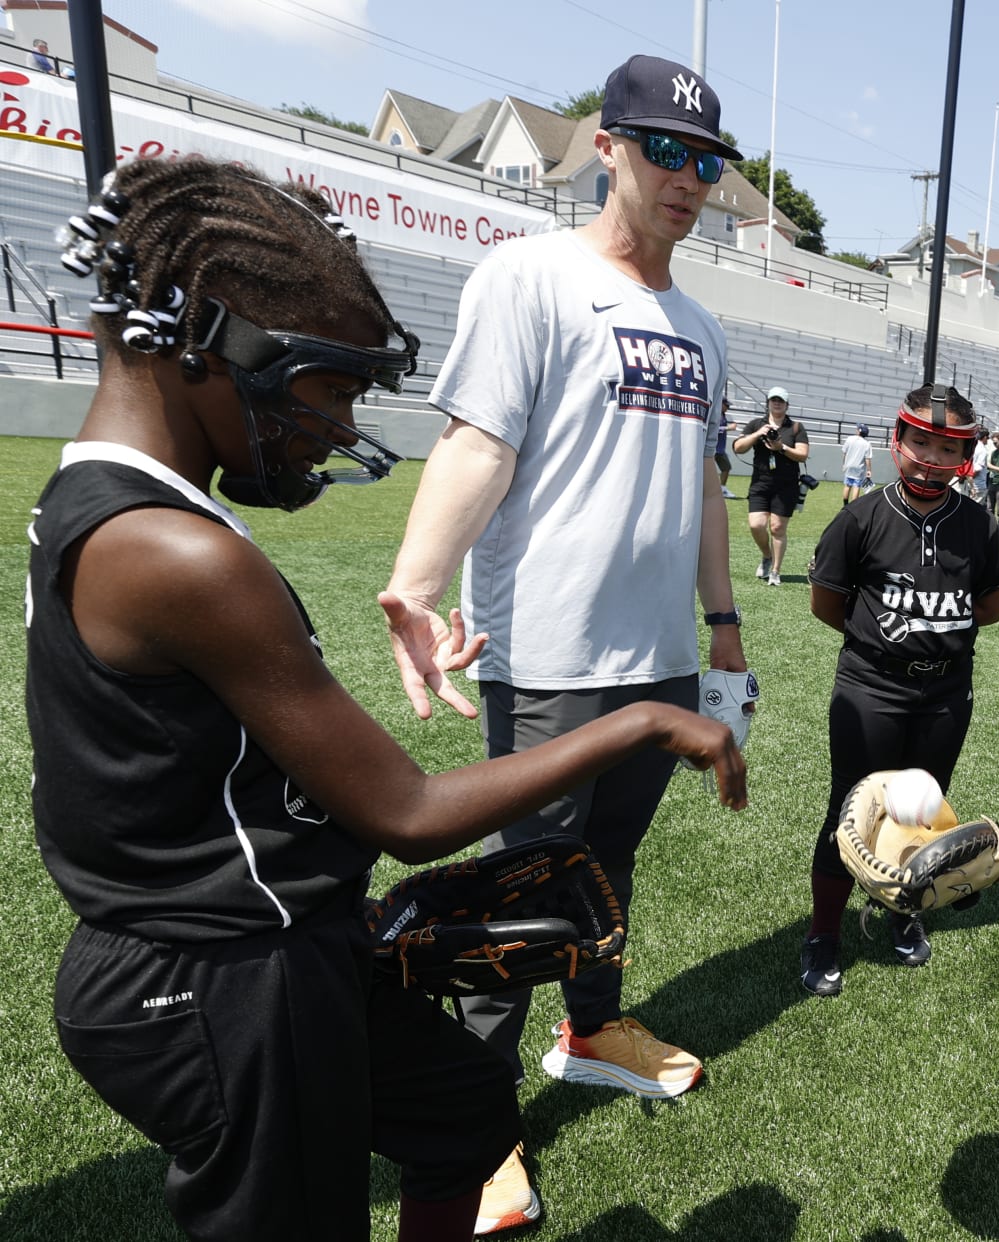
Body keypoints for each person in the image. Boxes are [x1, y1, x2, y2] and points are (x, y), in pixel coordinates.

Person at [28, 157, 744, 1242]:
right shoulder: (178, 555)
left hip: (266, 934)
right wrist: (641, 720)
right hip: (218, 979)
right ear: (209, 350)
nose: (338, 422)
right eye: (328, 385)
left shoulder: (112, 498)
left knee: (462, 1110)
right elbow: (404, 816)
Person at [380, 54, 748, 1233]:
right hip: (549, 659)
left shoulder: (702, 330)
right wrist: (417, 583)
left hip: (661, 660)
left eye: (707, 161)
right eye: (665, 152)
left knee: (610, 870)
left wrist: (724, 626)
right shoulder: (529, 277)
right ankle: (480, 1129)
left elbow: (699, 494)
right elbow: (479, 443)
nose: (688, 179)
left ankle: (591, 1030)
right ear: (607, 147)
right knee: (513, 898)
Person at [800, 385, 999, 995]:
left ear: (967, 453)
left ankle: (902, 910)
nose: (931, 457)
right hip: (871, 688)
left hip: (946, 692)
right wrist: (884, 646)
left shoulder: (976, 523)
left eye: (948, 447)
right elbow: (826, 604)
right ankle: (823, 932)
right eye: (921, 441)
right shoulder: (862, 515)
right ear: (899, 439)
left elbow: (991, 608)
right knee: (852, 812)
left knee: (923, 810)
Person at [730, 385, 809, 585]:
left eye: (780, 401)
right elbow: (738, 448)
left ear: (787, 405)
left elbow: (802, 454)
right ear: (768, 403)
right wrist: (758, 434)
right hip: (760, 483)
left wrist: (781, 447)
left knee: (777, 528)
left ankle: (775, 571)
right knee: (756, 525)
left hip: (786, 485)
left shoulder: (795, 427)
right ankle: (767, 556)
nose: (776, 403)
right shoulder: (756, 424)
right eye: (773, 400)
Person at [839, 423, 872, 505]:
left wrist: (844, 464)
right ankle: (853, 506)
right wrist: (869, 470)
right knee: (856, 487)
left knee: (847, 486)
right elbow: (867, 459)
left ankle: (845, 504)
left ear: (859, 431)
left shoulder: (849, 439)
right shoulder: (867, 444)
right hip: (859, 468)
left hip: (849, 466)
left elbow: (844, 453)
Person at [713, 396, 736, 499]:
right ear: (720, 404)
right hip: (713, 448)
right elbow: (713, 429)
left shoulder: (722, 415)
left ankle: (722, 489)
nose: (728, 408)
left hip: (720, 449)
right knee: (708, 471)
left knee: (726, 468)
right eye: (726, 405)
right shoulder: (715, 414)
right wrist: (728, 428)